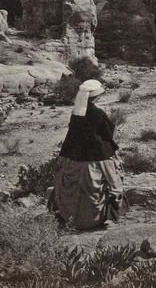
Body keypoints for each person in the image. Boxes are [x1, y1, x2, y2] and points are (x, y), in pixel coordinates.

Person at [48, 79, 123, 230]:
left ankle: (69, 216)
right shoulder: (98, 113)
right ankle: (102, 217)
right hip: (98, 159)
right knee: (113, 182)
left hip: (75, 158)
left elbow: (71, 135)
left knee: (69, 185)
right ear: (96, 97)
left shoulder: (76, 113)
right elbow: (108, 132)